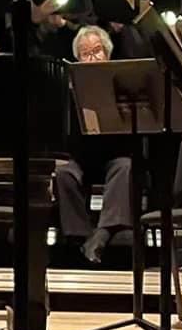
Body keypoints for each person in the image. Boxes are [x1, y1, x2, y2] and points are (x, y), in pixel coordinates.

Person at [53, 25, 136, 264]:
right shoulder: (67, 87)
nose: (92, 57)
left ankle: (103, 232)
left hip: (114, 155)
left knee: (125, 168)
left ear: (107, 54)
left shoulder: (123, 84)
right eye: (85, 54)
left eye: (97, 51)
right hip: (79, 155)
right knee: (63, 172)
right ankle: (80, 237)